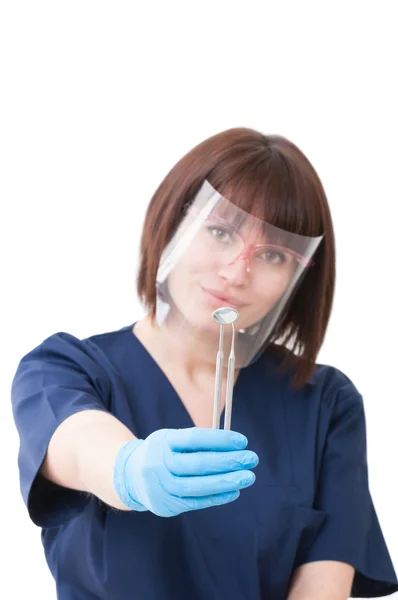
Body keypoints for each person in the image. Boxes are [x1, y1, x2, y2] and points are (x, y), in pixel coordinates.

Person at [11, 127, 398, 600]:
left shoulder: (326, 404)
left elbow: (324, 583)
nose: (237, 272)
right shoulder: (68, 367)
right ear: (173, 222)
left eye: (274, 254)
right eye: (219, 232)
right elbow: (74, 444)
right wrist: (128, 469)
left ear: (299, 277)